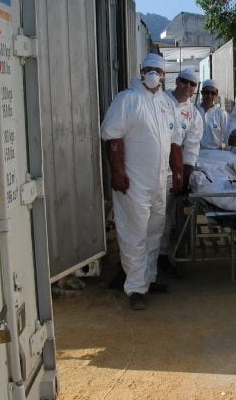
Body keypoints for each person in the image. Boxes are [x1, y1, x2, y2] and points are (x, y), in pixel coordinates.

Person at [101, 53, 184, 310]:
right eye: (148, 69)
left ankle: (148, 278)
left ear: (163, 75)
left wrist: (178, 174)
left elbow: (175, 141)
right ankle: (135, 288)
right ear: (141, 71)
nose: (153, 74)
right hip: (133, 183)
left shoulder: (166, 104)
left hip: (158, 182)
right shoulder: (128, 99)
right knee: (133, 234)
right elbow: (112, 137)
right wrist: (117, 173)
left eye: (157, 71)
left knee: (154, 231)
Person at [156, 68, 204, 273]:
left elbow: (192, 146)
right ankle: (138, 263)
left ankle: (162, 256)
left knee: (166, 217)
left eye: (193, 84)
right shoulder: (160, 101)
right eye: (185, 82)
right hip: (151, 167)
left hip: (173, 171)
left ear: (195, 90)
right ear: (177, 81)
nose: (188, 87)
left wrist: (183, 177)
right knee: (149, 218)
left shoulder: (193, 114)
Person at [196, 79, 229, 150]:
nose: (209, 95)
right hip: (197, 153)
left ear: (216, 95)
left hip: (216, 154)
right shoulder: (194, 111)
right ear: (202, 93)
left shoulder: (221, 113)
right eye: (207, 92)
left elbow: (228, 136)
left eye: (213, 93)